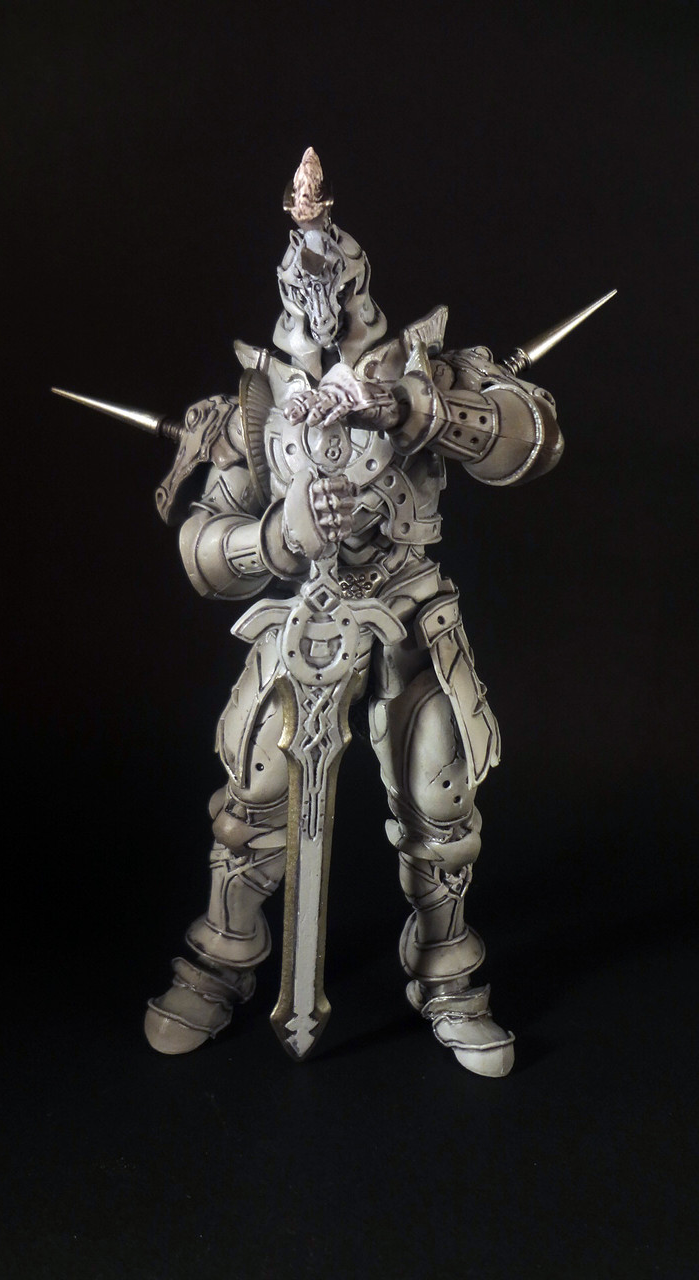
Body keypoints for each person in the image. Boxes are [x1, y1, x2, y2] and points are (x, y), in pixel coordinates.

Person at [143, 148, 564, 1076]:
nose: (320, 305)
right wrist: (279, 536)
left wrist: (420, 410)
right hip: (304, 621)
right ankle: (221, 959)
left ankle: (450, 979)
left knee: (438, 793)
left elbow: (531, 436)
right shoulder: (255, 402)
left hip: (408, 612)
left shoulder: (426, 371)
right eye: (303, 289)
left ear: (359, 281)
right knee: (253, 792)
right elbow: (204, 552)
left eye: (333, 282)